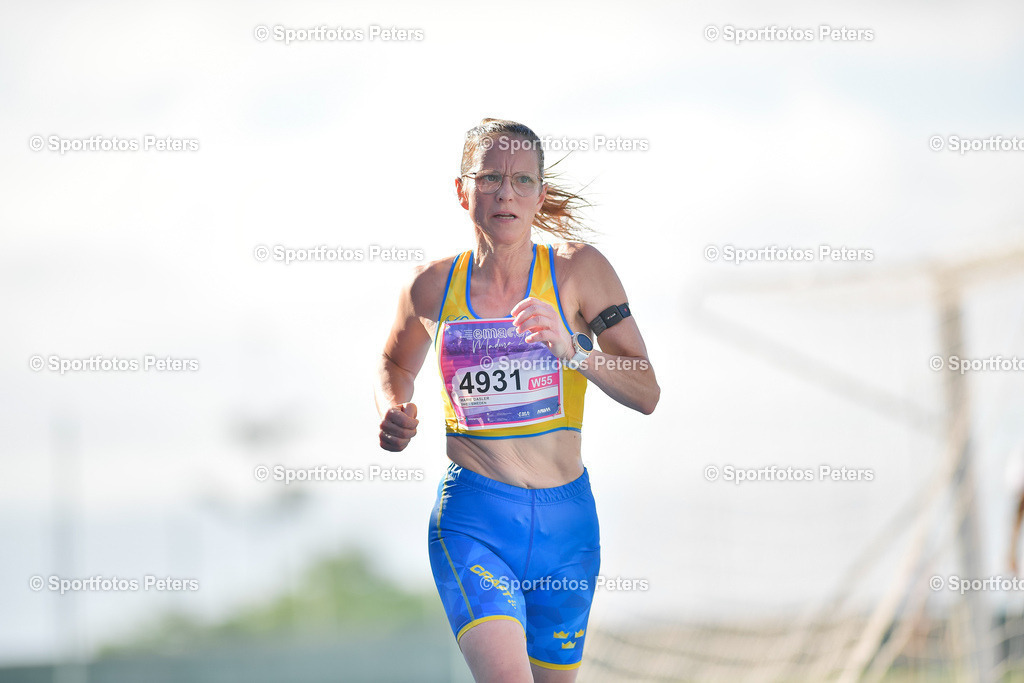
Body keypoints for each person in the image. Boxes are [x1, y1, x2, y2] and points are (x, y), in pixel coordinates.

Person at [374, 118, 659, 682]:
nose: (506, 193)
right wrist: (391, 405)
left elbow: (646, 389)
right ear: (463, 190)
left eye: (523, 181)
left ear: (540, 194)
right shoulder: (430, 286)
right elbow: (396, 364)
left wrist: (574, 351)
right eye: (490, 178)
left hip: (567, 529)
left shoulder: (580, 271)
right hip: (475, 520)